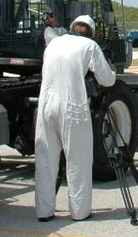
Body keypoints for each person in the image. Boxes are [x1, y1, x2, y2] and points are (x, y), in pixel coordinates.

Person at [34, 14, 116, 222]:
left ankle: (44, 211)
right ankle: (79, 211)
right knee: (77, 160)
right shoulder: (89, 46)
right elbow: (106, 80)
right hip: (72, 107)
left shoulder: (53, 44)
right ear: (91, 32)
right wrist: (112, 70)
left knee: (45, 160)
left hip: (46, 105)